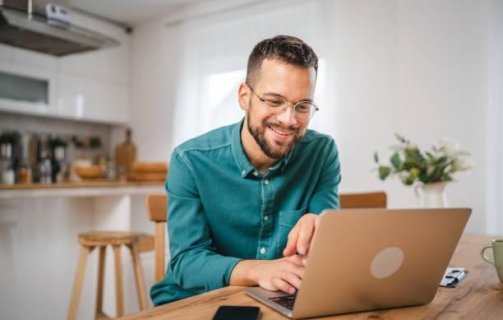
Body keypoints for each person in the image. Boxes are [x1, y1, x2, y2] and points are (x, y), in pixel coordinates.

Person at [151, 35, 341, 306]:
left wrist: (321, 227)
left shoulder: (322, 152)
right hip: (196, 300)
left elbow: (326, 243)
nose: (288, 120)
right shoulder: (190, 160)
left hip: (279, 299)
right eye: (274, 101)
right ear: (244, 97)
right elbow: (186, 263)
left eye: (303, 106)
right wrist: (259, 270)